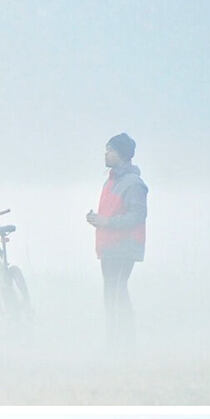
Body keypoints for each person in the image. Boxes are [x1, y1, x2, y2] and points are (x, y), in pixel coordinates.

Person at [85, 132, 149, 348]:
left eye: (110, 150)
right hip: (109, 246)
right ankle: (114, 343)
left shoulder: (133, 184)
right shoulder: (111, 182)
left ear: (122, 153)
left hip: (124, 247)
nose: (106, 154)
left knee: (117, 293)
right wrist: (97, 220)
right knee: (111, 294)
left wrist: (106, 222)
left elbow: (137, 216)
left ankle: (125, 344)